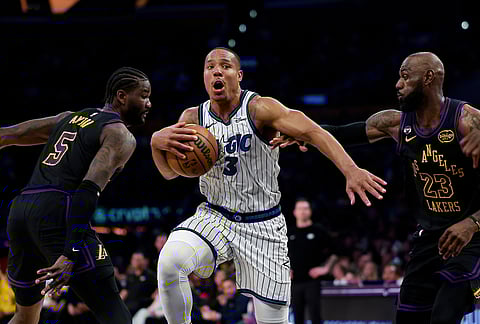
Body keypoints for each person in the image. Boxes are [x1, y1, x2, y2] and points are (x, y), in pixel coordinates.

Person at [150, 47, 387, 324]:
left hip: (263, 226)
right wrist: (156, 143)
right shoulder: (191, 119)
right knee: (169, 263)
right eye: (209, 66)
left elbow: (314, 132)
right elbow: (169, 174)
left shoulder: (261, 108)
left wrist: (350, 169)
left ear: (238, 75)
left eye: (224, 66)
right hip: (215, 217)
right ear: (204, 76)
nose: (216, 70)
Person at [273, 52, 480, 324]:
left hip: (474, 238)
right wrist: (302, 134)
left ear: (429, 77)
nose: (398, 84)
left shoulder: (467, 121)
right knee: (407, 318)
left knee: (444, 313)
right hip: (430, 238)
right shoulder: (395, 123)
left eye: (405, 76)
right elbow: (341, 132)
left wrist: (472, 223)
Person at [0, 66, 152, 324]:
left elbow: (9, 134)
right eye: (144, 95)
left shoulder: (70, 117)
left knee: (25, 316)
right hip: (58, 211)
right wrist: (70, 253)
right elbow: (86, 193)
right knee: (115, 313)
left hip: (21, 209)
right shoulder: (120, 135)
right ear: (122, 96)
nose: (149, 103)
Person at [287, 198, 337, 324]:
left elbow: (336, 252)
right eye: (300, 209)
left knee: (315, 316)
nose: (302, 212)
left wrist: (325, 268)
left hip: (312, 281)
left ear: (310, 211)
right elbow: (280, 254)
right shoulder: (289, 232)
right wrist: (285, 269)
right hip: (294, 282)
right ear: (295, 212)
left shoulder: (319, 231)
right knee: (297, 317)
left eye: (305, 208)